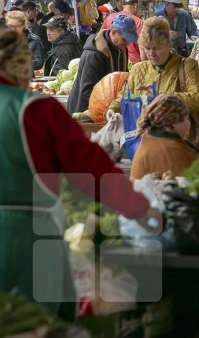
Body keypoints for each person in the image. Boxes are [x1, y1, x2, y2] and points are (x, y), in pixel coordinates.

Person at [0, 28, 161, 319]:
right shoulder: (36, 110)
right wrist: (138, 208)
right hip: (26, 240)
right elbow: (89, 168)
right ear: (19, 65)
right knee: (30, 324)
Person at [107, 16, 199, 114]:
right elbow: (124, 97)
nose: (151, 54)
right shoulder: (138, 69)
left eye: (157, 49)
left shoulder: (187, 65)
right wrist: (112, 110)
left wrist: (162, 97)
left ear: (169, 45)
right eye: (147, 48)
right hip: (143, 128)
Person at [67, 15, 137, 113]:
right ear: (113, 32)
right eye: (125, 39)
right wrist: (106, 109)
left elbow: (123, 77)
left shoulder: (121, 47)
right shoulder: (94, 54)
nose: (128, 44)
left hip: (109, 108)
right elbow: (87, 90)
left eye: (129, 40)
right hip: (84, 110)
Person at [130, 94, 199, 180]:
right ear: (172, 121)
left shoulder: (150, 138)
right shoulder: (171, 151)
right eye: (186, 118)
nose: (189, 124)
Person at [102, 0, 145, 64]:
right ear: (136, 6)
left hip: (113, 61)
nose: (127, 44)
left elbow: (101, 37)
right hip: (134, 63)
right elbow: (142, 47)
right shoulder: (139, 22)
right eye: (125, 39)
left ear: (123, 5)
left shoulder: (109, 17)